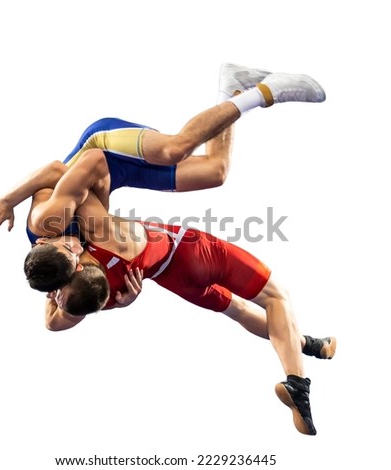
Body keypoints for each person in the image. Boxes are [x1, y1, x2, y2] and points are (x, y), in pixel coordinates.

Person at [22, 148, 335, 437]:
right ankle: (297, 383)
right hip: (192, 253)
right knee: (276, 297)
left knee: (237, 310)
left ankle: (306, 343)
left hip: (173, 280)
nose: (68, 242)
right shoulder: (97, 230)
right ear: (74, 265)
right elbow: (84, 164)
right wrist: (11, 201)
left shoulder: (96, 295)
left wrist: (102, 302)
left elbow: (53, 322)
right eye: (67, 248)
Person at [0, 63, 325, 239]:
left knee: (175, 149)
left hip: (101, 147)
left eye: (72, 252)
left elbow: (54, 170)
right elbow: (55, 321)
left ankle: (267, 93)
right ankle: (233, 87)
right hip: (118, 175)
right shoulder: (83, 262)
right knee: (214, 172)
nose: (77, 252)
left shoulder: (44, 227)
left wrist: (8, 200)